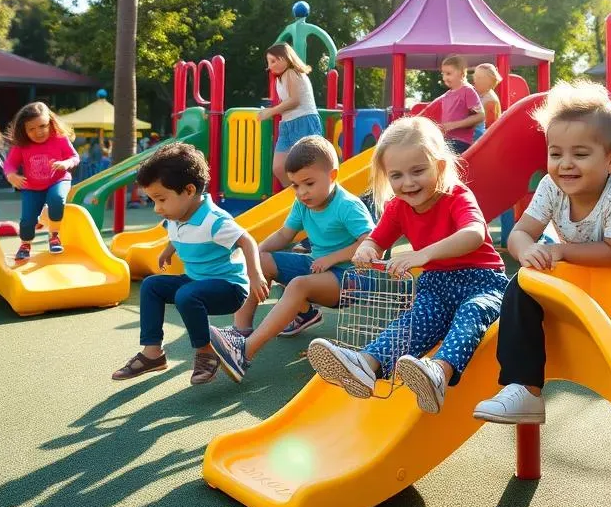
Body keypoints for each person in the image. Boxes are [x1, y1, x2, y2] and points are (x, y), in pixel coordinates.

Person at [473, 81, 611, 425]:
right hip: (584, 267)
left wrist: (558, 250)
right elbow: (522, 233)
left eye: (580, 154)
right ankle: (523, 389)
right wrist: (527, 250)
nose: (565, 164)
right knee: (521, 285)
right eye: (556, 153)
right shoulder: (550, 187)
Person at [306, 115, 507, 414]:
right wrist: (366, 249)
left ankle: (439, 372)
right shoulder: (398, 208)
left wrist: (424, 254)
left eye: (418, 171)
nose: (408, 182)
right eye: (397, 175)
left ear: (439, 167)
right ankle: (366, 365)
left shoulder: (456, 196)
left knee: (471, 313)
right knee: (414, 320)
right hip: (437, 285)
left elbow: (475, 234)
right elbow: (376, 240)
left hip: (483, 281)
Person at [208, 135, 375, 382]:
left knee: (298, 284)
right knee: (262, 260)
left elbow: (371, 242)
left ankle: (244, 354)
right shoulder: (303, 204)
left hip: (352, 278)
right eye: (295, 185)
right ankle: (239, 331)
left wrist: (332, 258)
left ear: (332, 176)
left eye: (308, 183)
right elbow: (285, 234)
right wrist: (255, 255)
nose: (302, 192)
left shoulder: (348, 206)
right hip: (318, 268)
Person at [111, 143, 268, 385]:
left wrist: (255, 275)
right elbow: (178, 234)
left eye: (161, 199)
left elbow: (247, 241)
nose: (157, 208)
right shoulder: (175, 215)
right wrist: (167, 250)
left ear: (189, 190)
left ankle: (207, 353)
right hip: (195, 281)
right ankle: (153, 353)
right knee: (152, 286)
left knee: (186, 295)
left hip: (229, 288)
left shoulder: (214, 221)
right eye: (153, 200)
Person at [3, 102, 80, 261]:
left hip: (58, 180)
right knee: (27, 221)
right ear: (23, 130)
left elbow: (74, 157)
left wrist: (66, 164)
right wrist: (11, 175)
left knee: (57, 198)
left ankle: (54, 236)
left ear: (51, 123)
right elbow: (10, 164)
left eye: (43, 126)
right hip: (32, 187)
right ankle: (25, 244)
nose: (38, 132)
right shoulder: (22, 145)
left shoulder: (59, 139)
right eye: (31, 129)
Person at [258, 43, 324, 186]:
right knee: (279, 167)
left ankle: (308, 194)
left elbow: (294, 100)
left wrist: (270, 111)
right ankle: (296, 196)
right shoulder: (280, 79)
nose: (270, 66)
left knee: (305, 166)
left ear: (285, 58)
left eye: (273, 61)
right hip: (287, 124)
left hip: (303, 121)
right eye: (268, 62)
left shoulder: (292, 72)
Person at [428, 55, 485, 155]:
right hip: (447, 139)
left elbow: (480, 116)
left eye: (449, 73)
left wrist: (453, 125)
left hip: (460, 141)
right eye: (443, 74)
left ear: (462, 74)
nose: (445, 77)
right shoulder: (448, 94)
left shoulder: (468, 91)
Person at [470, 62, 503, 141]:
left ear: (489, 81)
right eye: (475, 76)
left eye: (479, 78)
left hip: (481, 140)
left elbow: (490, 128)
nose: (474, 80)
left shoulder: (490, 100)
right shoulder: (477, 93)